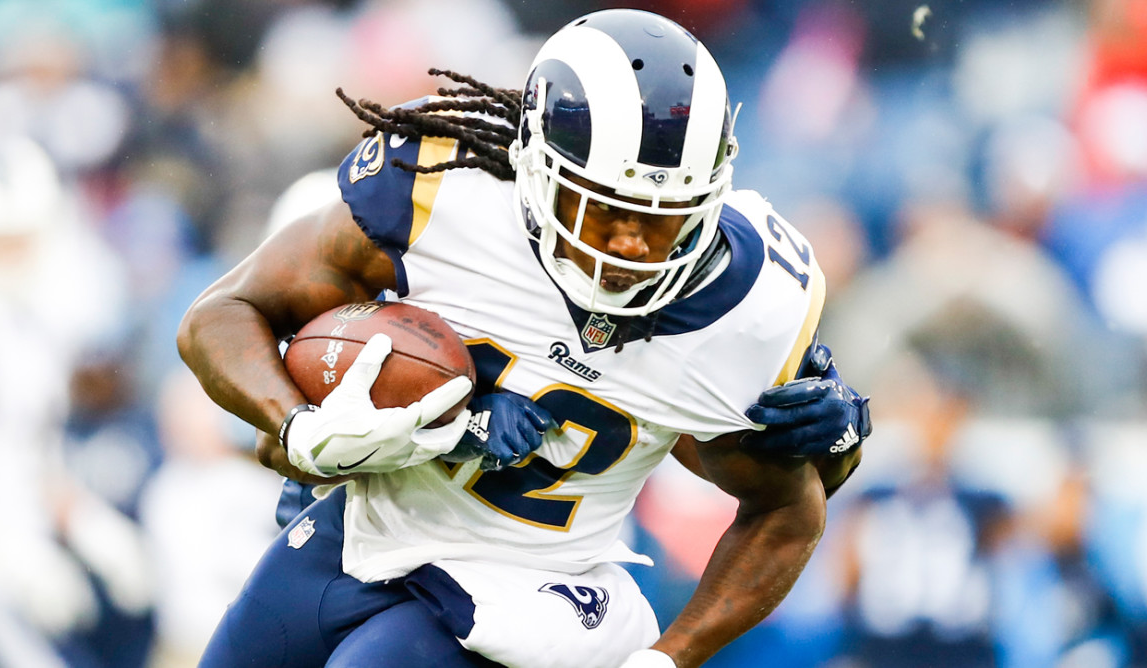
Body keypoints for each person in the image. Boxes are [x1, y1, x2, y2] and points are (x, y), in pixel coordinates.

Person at [178, 9, 871, 668]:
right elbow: (224, 315)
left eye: (661, 219)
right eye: (605, 211)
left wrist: (669, 656)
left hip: (533, 590)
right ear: (537, 171)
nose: (631, 246)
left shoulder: (745, 305)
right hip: (364, 528)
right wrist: (299, 427)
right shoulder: (442, 196)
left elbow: (784, 505)